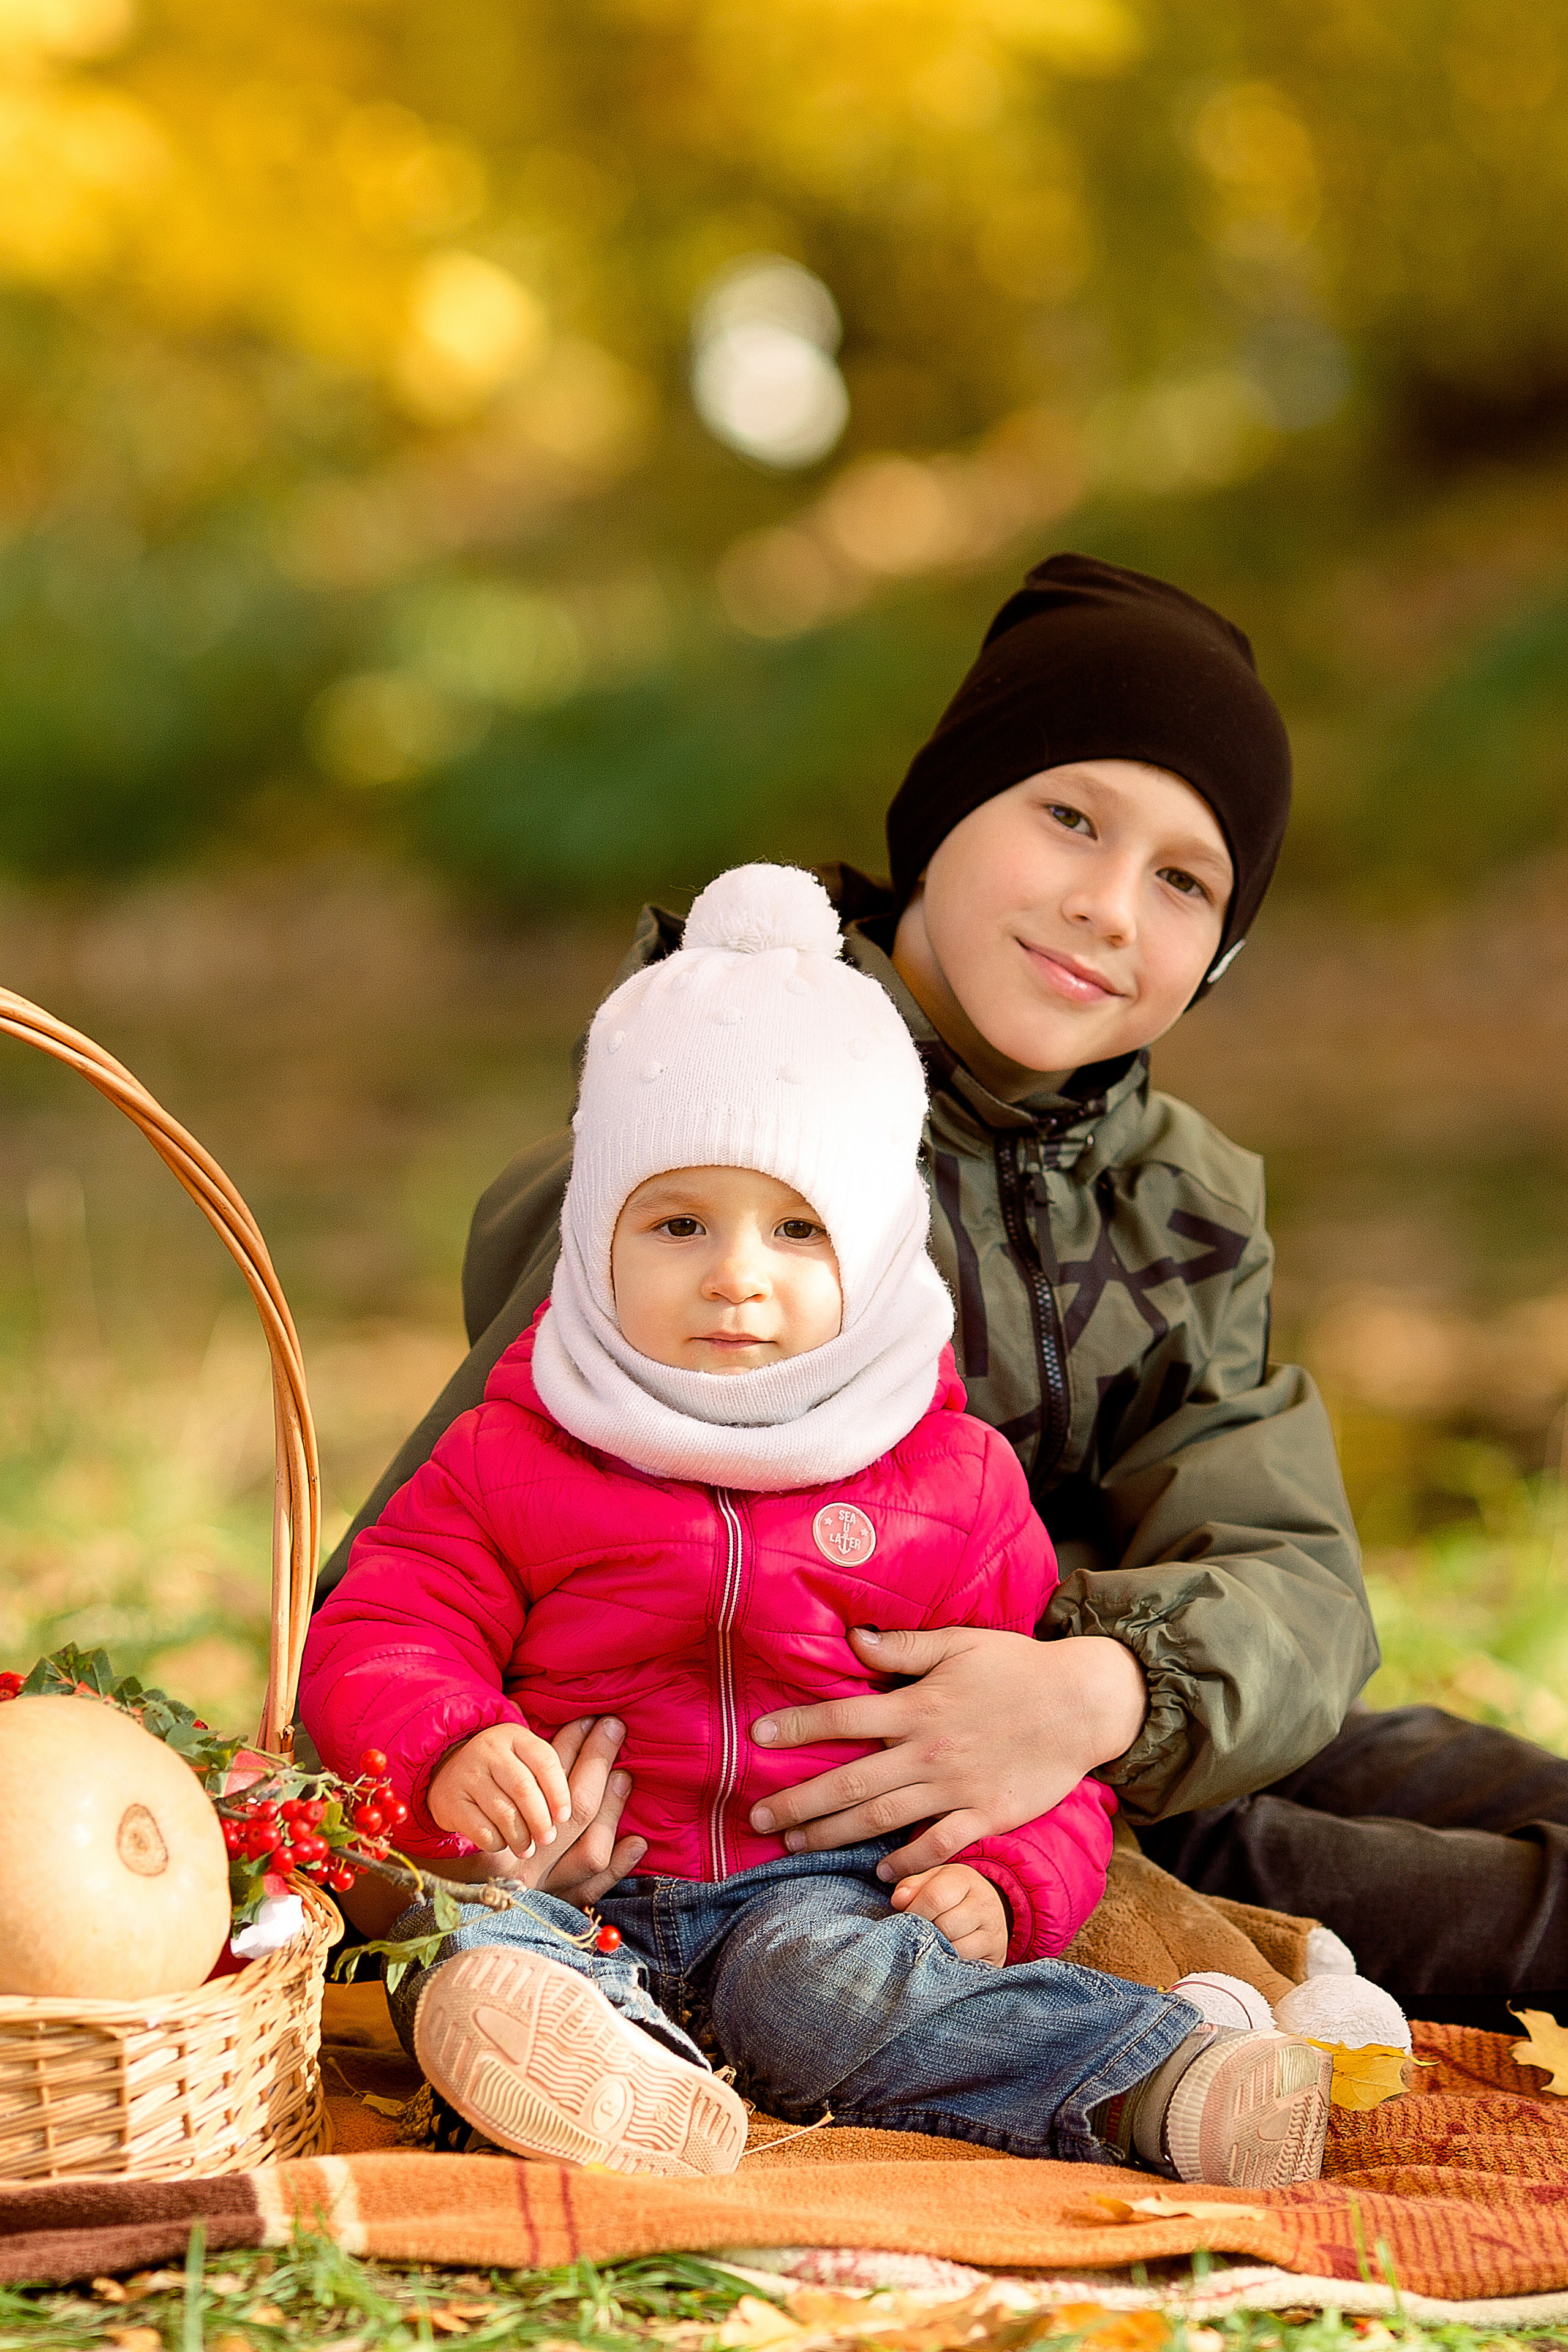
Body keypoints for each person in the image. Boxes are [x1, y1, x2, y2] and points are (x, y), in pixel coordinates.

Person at [317, 551, 1568, 2032]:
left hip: (1110, 1732)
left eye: (1182, 878)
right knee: (1503, 1920)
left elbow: (1291, 1578)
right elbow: (419, 1566)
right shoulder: (735, 1125)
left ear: (1218, 951)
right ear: (941, 818)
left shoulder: (1177, 1201)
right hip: (876, 1814)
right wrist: (493, 1792)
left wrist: (1100, 1693)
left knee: (1505, 1797)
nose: (1107, 905)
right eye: (1068, 818)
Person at [301, 862, 1335, 2185]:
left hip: (815, 1896)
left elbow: (1028, 1758)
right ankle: (605, 2077)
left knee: (824, 1991)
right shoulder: (515, 1450)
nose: (736, 1275)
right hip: (569, 1878)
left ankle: (1153, 2082)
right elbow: (385, 1623)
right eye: (678, 1222)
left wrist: (1011, 1877)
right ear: (591, 1239)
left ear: (878, 1247)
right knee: (472, 1949)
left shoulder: (947, 1486)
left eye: (798, 1230)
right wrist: (454, 1754)